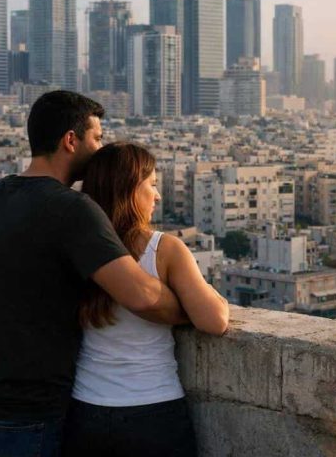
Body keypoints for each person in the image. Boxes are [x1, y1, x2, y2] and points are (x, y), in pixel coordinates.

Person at [0, 91, 187, 457]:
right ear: (70, 141)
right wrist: (189, 305)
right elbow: (140, 295)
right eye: (97, 138)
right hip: (23, 412)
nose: (101, 149)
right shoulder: (71, 208)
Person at [63, 143, 230, 457]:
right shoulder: (164, 249)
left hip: (86, 409)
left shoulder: (74, 248)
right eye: (151, 184)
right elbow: (214, 321)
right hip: (152, 408)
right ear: (128, 191)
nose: (158, 195)